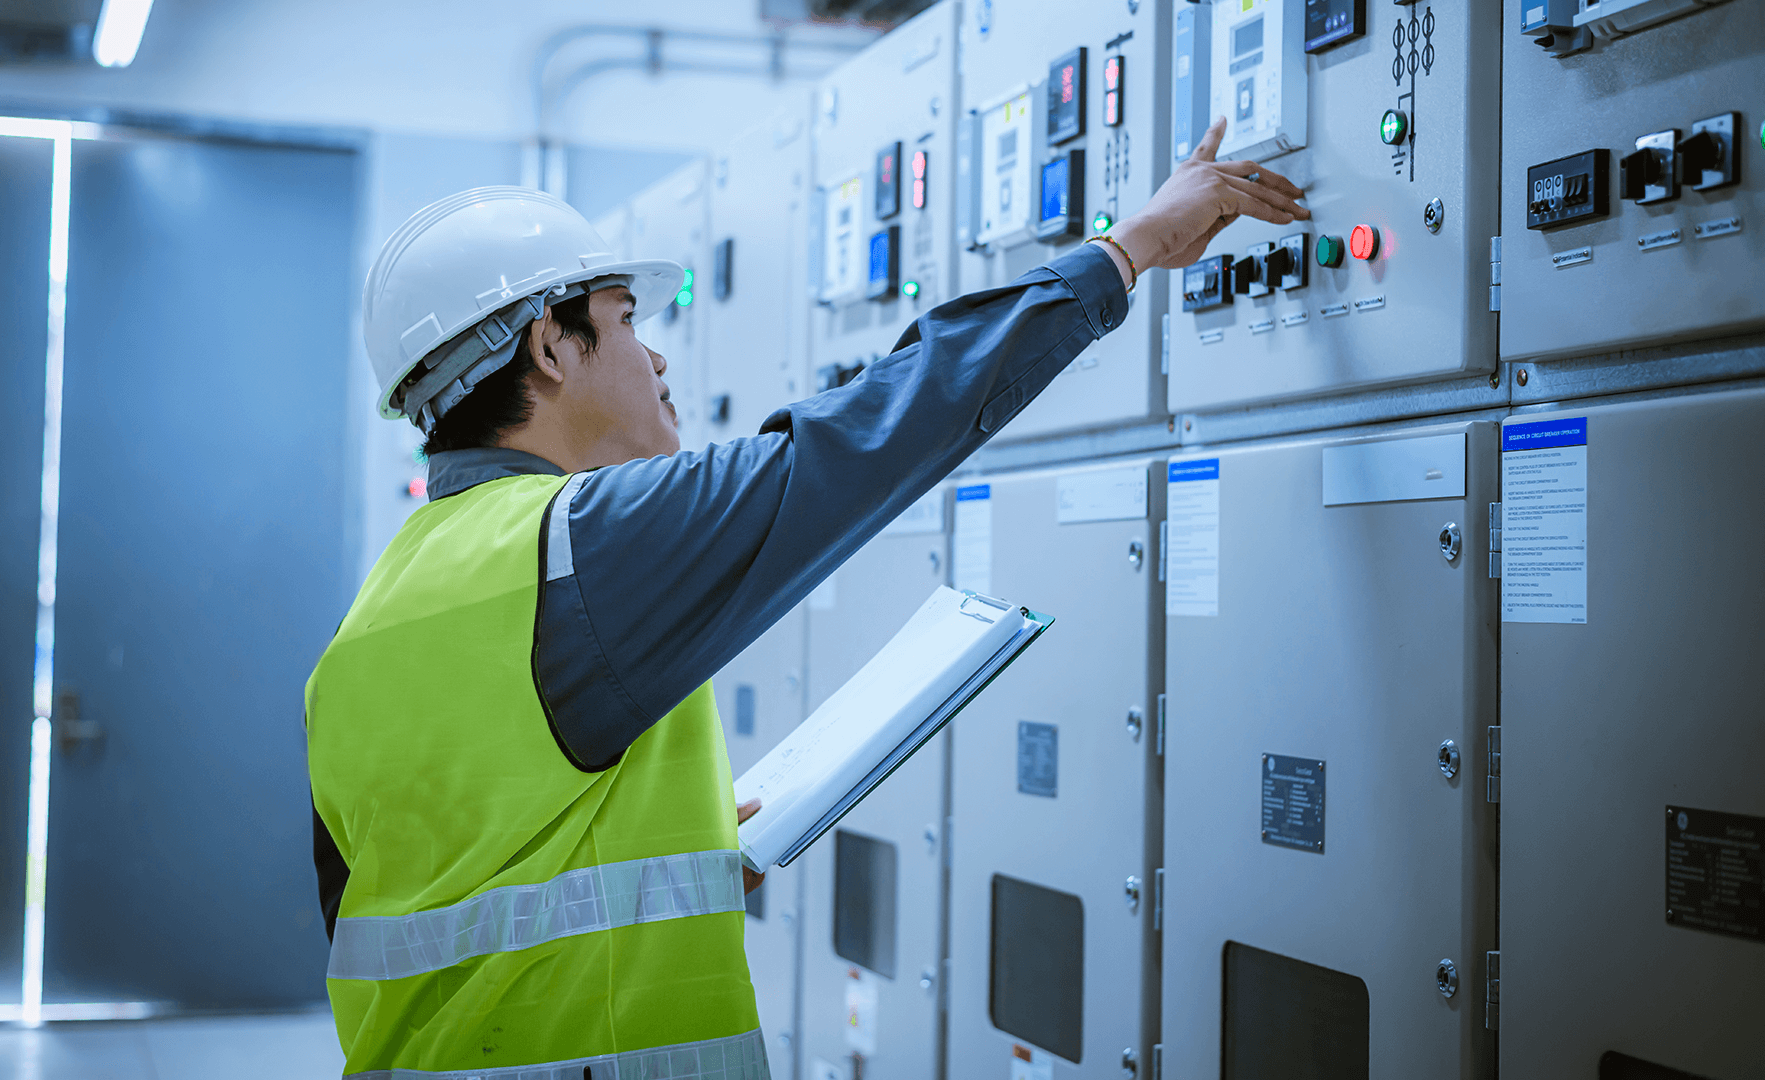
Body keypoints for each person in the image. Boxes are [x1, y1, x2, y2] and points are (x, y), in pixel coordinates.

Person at [306, 116, 1303, 1078]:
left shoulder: (364, 630)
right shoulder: (577, 545)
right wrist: (1123, 252)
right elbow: (868, 434)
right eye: (625, 322)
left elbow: (427, 893)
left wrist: (686, 863)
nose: (654, 358)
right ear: (551, 349)